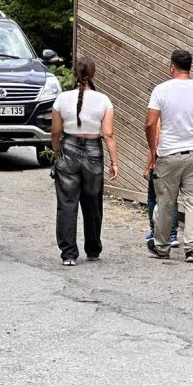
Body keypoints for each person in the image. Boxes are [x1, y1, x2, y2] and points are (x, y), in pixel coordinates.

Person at [145, 49, 193, 263]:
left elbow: (150, 124)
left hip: (168, 154)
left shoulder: (161, 90)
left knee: (165, 201)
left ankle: (162, 246)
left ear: (172, 67)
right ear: (190, 67)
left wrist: (153, 150)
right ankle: (192, 249)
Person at [50, 58, 119, 265]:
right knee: (93, 203)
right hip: (93, 151)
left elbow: (55, 132)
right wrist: (114, 162)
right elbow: (108, 134)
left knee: (66, 203)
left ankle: (69, 254)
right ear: (93, 75)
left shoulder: (62, 99)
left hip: (68, 148)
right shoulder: (104, 100)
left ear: (74, 74)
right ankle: (93, 249)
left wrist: (56, 153)